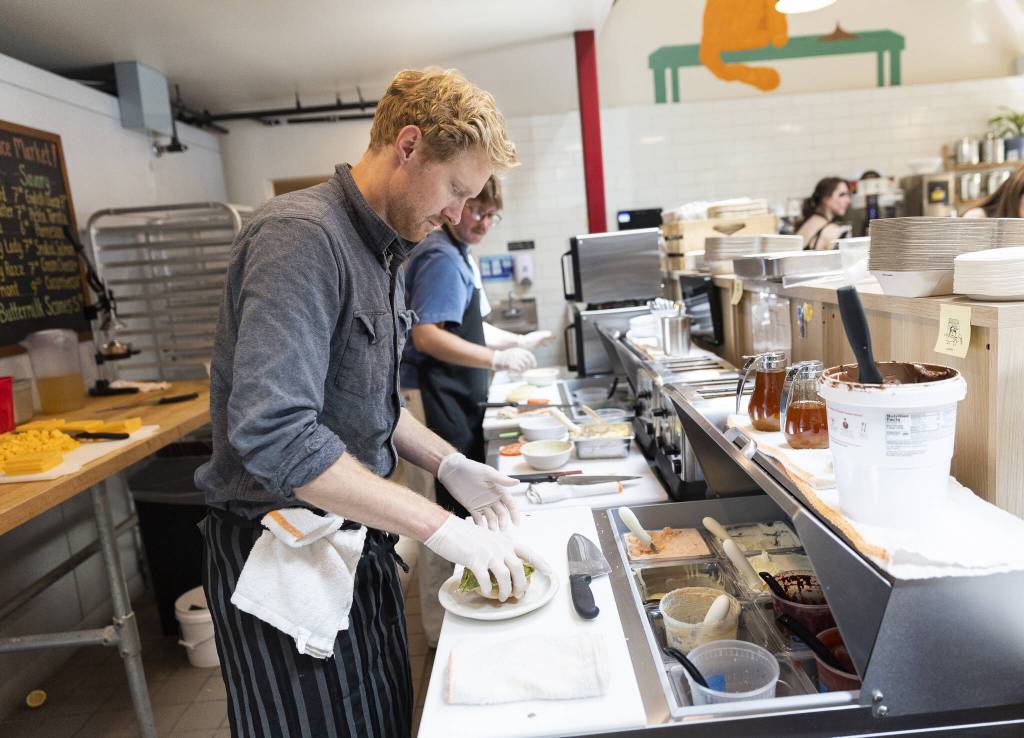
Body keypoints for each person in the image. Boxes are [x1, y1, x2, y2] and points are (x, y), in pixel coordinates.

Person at [195, 67, 547, 738]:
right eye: (454, 190)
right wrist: (440, 526)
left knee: (385, 718)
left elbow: (369, 409)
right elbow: (276, 435)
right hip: (283, 556)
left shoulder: (384, 252)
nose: (454, 214)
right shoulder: (302, 238)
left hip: (355, 539)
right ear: (408, 146)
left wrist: (448, 465)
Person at [400, 174, 552, 643]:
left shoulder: (457, 254)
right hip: (427, 400)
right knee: (435, 518)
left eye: (491, 214)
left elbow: (469, 326)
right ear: (455, 204)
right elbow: (427, 334)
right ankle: (439, 630)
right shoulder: (440, 257)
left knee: (447, 508)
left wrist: (513, 341)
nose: (484, 221)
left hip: (449, 395)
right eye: (476, 210)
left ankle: (452, 612)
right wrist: (495, 357)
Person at [795, 176, 851, 249]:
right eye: (842, 195)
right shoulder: (833, 231)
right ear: (825, 198)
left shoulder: (807, 223)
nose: (848, 201)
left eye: (848, 195)